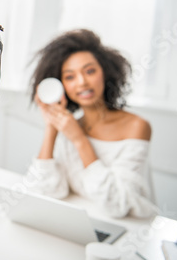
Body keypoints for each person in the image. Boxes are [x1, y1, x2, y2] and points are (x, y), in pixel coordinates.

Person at [27, 29, 157, 218]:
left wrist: (80, 140)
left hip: (132, 227)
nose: (81, 82)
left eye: (89, 71)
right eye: (70, 76)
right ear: (61, 85)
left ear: (105, 73)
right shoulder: (68, 127)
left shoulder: (137, 126)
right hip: (84, 220)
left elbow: (118, 205)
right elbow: (46, 189)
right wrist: (52, 126)